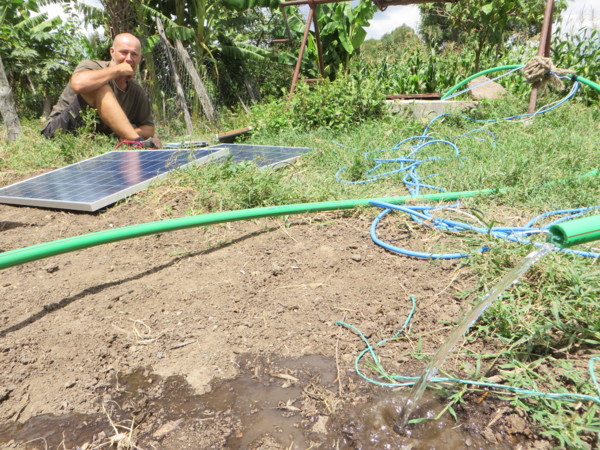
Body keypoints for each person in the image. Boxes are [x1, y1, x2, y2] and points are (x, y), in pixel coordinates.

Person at [41, 33, 160, 148]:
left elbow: (148, 128)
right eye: (123, 52)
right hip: (58, 130)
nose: (128, 59)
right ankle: (136, 143)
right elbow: (78, 84)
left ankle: (132, 140)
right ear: (112, 52)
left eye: (134, 54)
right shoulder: (92, 66)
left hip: (93, 139)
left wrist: (123, 134)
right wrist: (117, 70)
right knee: (100, 87)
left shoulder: (136, 91)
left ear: (140, 58)